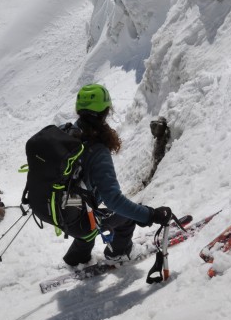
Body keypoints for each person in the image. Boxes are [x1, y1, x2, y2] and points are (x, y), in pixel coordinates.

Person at [61, 84, 172, 267]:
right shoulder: (96, 150)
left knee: (87, 216)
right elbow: (114, 201)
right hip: (76, 216)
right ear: (105, 111)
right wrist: (150, 215)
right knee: (126, 218)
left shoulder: (66, 133)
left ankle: (75, 259)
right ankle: (119, 253)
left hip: (58, 209)